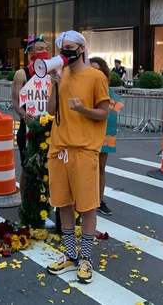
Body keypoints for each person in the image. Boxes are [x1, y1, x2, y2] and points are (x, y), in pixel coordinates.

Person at [46, 31, 109, 284]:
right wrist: (55, 84)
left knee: (87, 206)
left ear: (82, 48)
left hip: (84, 150)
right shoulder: (62, 75)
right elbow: (51, 110)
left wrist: (82, 109)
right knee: (63, 203)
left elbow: (104, 113)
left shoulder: (97, 76)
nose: (65, 52)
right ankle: (71, 254)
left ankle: (86, 257)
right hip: (59, 148)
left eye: (69, 47)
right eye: (62, 48)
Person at [12, 34, 54, 229]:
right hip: (28, 128)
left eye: (46, 48)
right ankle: (26, 204)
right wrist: (23, 113)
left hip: (51, 128)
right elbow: (15, 102)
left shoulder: (54, 73)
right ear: (30, 52)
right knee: (28, 168)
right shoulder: (22, 74)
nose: (44, 51)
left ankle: (47, 205)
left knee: (49, 170)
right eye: (39, 49)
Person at [89, 57, 114, 216]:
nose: (95, 74)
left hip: (104, 132)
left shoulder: (106, 90)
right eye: (92, 70)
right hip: (85, 134)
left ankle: (99, 200)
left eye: (98, 70)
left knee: (100, 168)